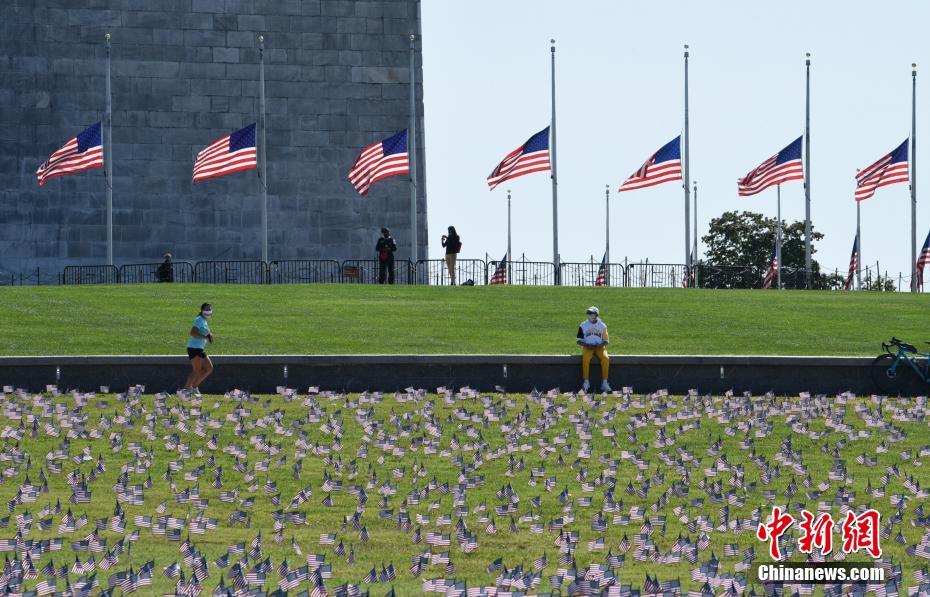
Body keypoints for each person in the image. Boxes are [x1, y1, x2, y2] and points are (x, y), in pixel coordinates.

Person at [576, 306, 611, 393]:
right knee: (586, 358)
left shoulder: (602, 326)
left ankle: (605, 382)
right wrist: (587, 345)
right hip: (587, 347)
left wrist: (598, 346)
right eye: (589, 314)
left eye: (592, 314)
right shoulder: (583, 325)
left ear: (596, 315)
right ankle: (586, 381)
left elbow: (606, 341)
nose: (590, 316)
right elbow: (578, 340)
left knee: (606, 359)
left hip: (600, 347)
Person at [184, 303, 214, 397]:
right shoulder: (199, 319)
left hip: (199, 348)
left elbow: (203, 332)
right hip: (194, 348)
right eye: (206, 309)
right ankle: (186, 390)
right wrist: (204, 336)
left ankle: (194, 387)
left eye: (209, 309)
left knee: (209, 368)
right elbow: (192, 332)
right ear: (201, 310)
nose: (208, 311)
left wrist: (209, 335)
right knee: (196, 370)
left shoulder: (204, 321)